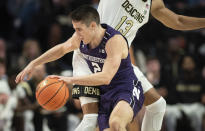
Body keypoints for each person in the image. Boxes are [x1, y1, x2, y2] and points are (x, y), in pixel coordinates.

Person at [16, 0, 205, 131]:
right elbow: (64, 46)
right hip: (87, 57)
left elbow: (178, 21)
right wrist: (34, 62)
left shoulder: (153, 3)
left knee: (158, 105)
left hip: (117, 62)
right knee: (90, 120)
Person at [16, 5, 144, 131]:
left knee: (116, 123)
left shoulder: (114, 41)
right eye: (75, 29)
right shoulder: (80, 38)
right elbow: (61, 49)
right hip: (106, 93)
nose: (76, 33)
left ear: (93, 26)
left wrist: (70, 80)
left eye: (79, 29)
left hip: (126, 87)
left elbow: (106, 77)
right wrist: (34, 63)